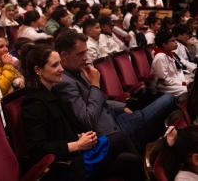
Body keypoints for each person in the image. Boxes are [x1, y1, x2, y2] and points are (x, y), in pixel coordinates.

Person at [21, 43, 144, 181]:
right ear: (38, 70)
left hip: (78, 154)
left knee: (131, 161)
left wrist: (80, 135)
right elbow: (37, 149)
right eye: (55, 65)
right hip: (66, 165)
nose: (61, 69)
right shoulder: (33, 103)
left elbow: (65, 127)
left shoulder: (54, 91)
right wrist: (77, 144)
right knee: (120, 138)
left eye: (60, 64)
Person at [55, 29, 176, 150]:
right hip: (110, 133)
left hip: (116, 118)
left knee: (162, 119)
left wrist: (120, 106)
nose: (85, 58)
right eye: (80, 54)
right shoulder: (65, 82)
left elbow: (100, 100)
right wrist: (95, 85)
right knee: (169, 98)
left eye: (85, 53)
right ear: (64, 55)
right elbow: (87, 120)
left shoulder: (77, 71)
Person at [151, 30, 189, 96]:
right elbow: (164, 80)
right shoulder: (160, 57)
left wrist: (183, 82)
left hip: (172, 83)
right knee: (186, 90)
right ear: (164, 44)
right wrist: (182, 83)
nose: (176, 42)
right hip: (163, 87)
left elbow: (175, 74)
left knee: (191, 85)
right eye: (172, 41)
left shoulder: (169, 54)